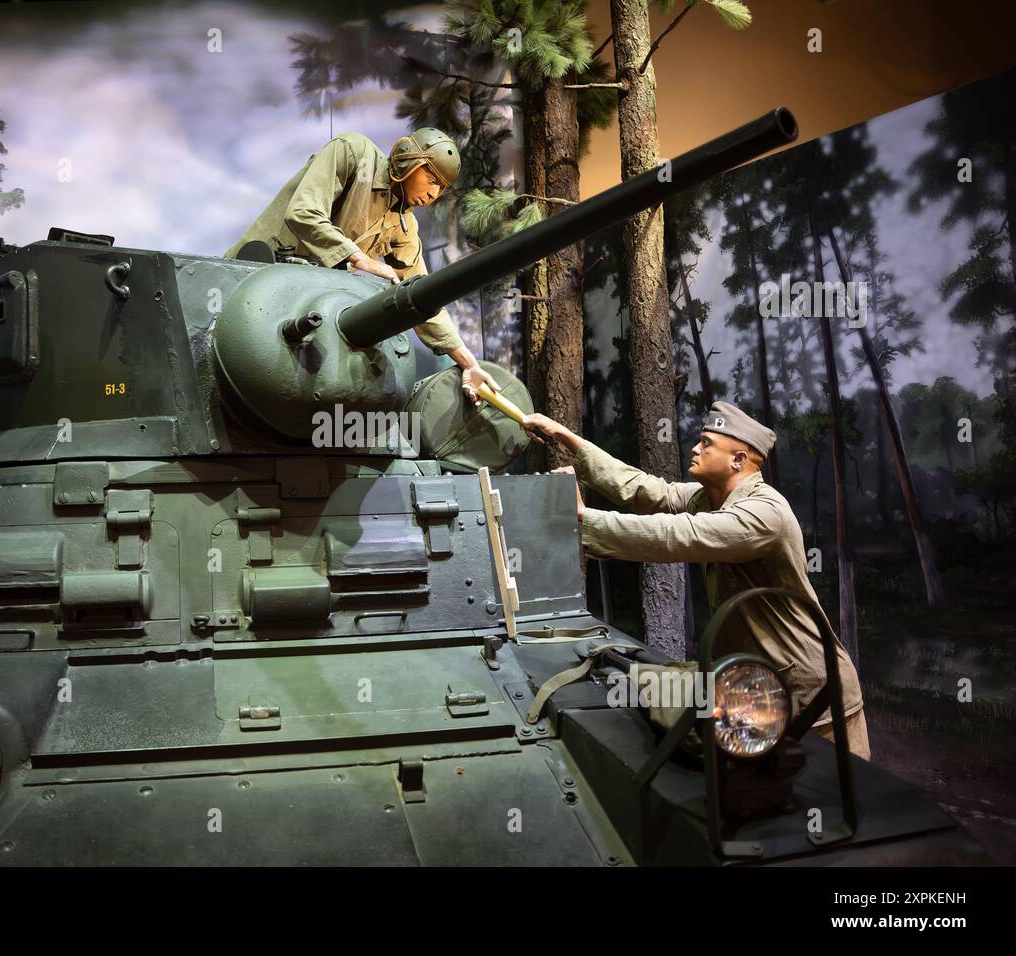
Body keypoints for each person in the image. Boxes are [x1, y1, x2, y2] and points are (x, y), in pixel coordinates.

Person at [519, 401, 871, 760]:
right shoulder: (709, 500)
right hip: (759, 686)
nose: (694, 448)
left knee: (836, 801)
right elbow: (644, 488)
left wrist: (583, 519)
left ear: (738, 459)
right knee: (771, 798)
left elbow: (679, 535)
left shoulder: (765, 513)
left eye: (706, 443)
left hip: (815, 696)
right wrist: (565, 436)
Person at [225, 127, 498, 403]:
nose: (434, 194)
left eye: (441, 187)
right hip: (245, 287)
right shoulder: (354, 153)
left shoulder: (403, 225)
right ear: (409, 160)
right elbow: (303, 213)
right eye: (431, 179)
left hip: (299, 314)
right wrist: (360, 259)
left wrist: (469, 362)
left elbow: (422, 298)